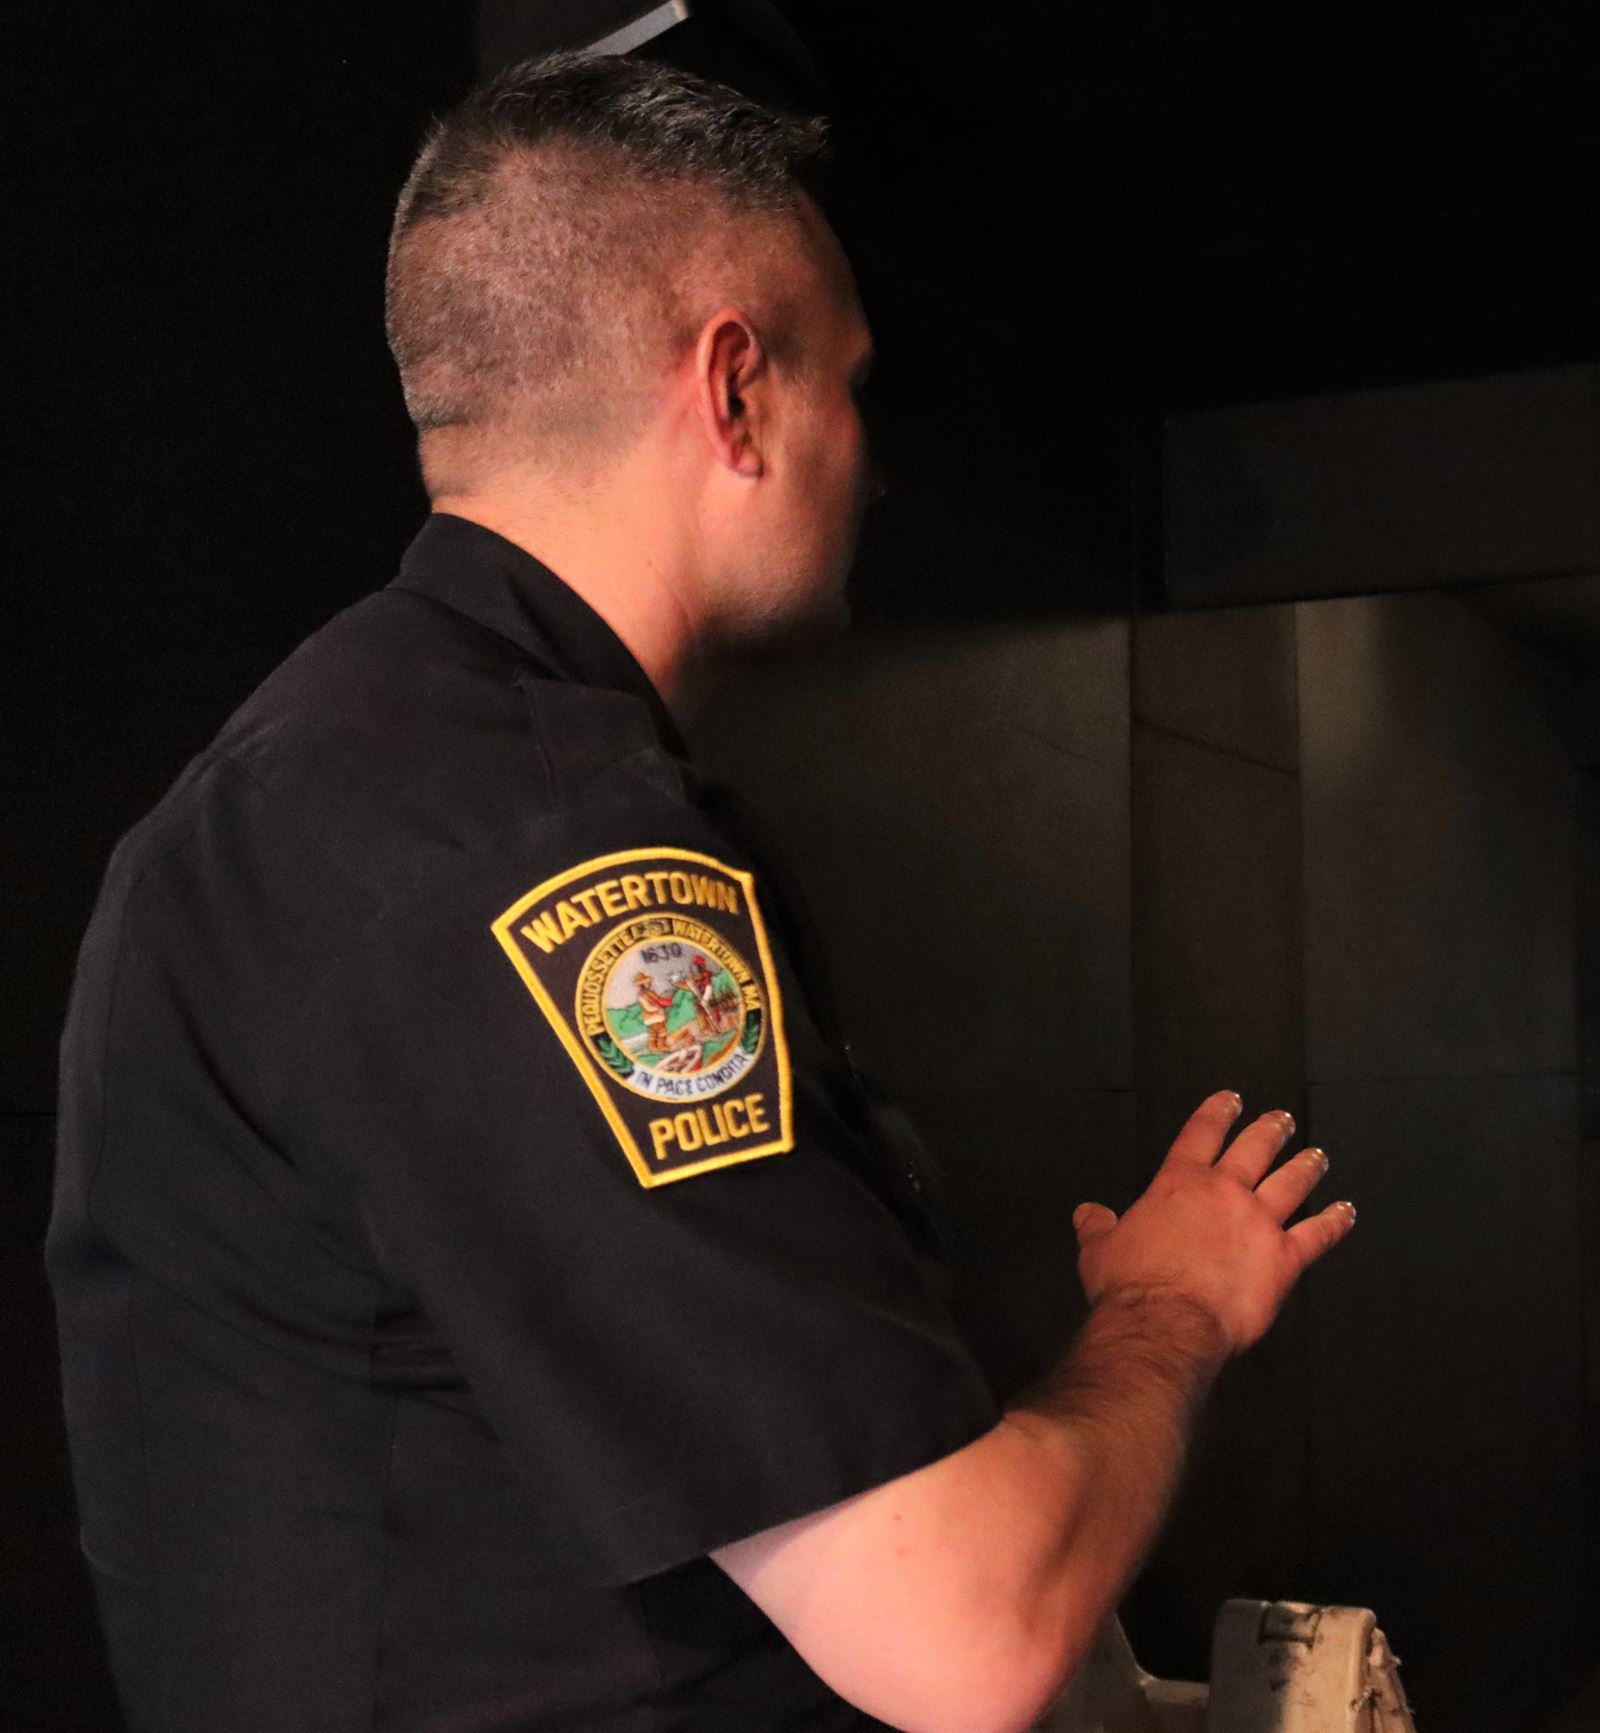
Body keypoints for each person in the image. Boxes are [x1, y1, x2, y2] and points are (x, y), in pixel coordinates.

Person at [47, 50, 1354, 1733]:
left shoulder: (306, 789)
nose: (868, 464)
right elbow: (965, 1629)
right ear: (734, 392)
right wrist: (1174, 1306)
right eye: (851, 388)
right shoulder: (547, 855)